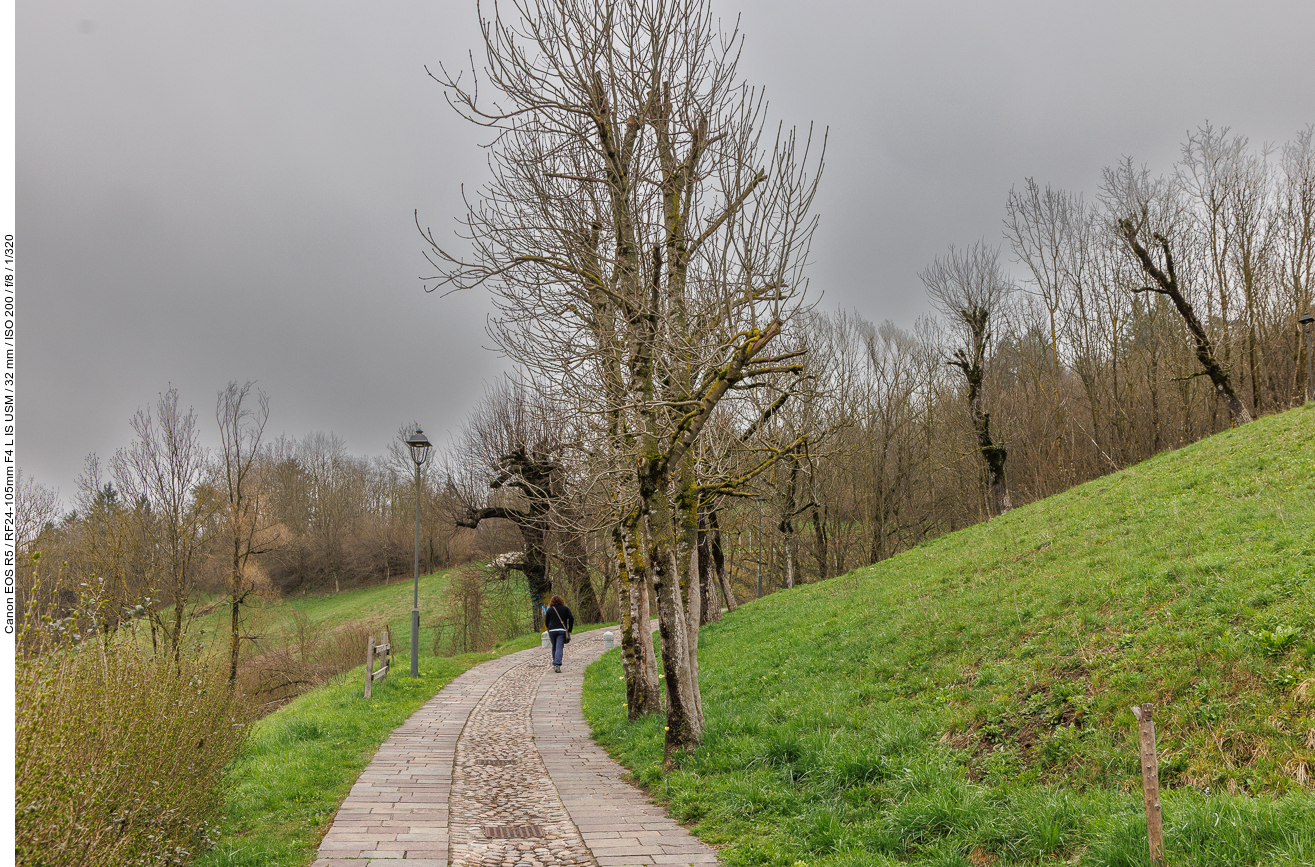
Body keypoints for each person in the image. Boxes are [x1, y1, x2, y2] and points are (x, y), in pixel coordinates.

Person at [544, 595, 575, 673]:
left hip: (552, 630)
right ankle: (557, 663)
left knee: (554, 646)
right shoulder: (565, 609)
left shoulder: (549, 610)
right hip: (561, 630)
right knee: (559, 647)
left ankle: (555, 663)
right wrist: (569, 629)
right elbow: (571, 618)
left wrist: (549, 629)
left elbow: (546, 622)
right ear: (562, 601)